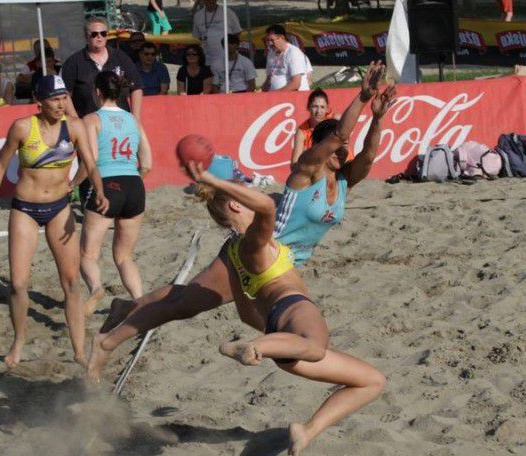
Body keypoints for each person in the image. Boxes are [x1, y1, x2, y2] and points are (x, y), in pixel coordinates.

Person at [89, 62, 395, 377]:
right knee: (184, 305)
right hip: (255, 248)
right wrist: (362, 97)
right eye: (337, 146)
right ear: (320, 149)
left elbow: (369, 156)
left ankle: (125, 308)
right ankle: (106, 343)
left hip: (277, 262)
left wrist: (378, 117)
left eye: (345, 147)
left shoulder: (342, 181)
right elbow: (340, 133)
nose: (344, 150)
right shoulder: (306, 171)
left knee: (188, 299)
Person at [94, 160, 386, 456]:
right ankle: (255, 347)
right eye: (245, 192)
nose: (255, 194)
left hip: (281, 335)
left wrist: (275, 340)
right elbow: (267, 209)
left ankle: (307, 429)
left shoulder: (234, 254)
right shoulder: (253, 242)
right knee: (316, 347)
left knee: (371, 381)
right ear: (235, 205)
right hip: (292, 308)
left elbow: (247, 313)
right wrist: (215, 181)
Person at [0, 75, 109, 369]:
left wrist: (95, 190)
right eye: (54, 99)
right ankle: (18, 342)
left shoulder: (74, 127)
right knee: (18, 283)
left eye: (64, 98)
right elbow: (0, 167)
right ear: (40, 101)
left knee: (72, 282)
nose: (61, 104)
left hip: (59, 208)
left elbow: (90, 164)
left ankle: (77, 351)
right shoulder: (23, 127)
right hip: (25, 208)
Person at [76, 71, 152, 316]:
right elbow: (148, 163)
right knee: (124, 256)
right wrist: (132, 180)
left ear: (97, 91)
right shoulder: (133, 120)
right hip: (133, 185)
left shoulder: (92, 119)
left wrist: (70, 186)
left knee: (88, 254)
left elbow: (91, 161)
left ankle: (96, 288)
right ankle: (140, 302)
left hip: (107, 183)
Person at [61, 17, 143, 119]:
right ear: (86, 36)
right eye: (94, 34)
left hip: (121, 122)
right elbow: (64, 94)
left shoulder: (121, 58)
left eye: (103, 33)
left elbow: (136, 88)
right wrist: (76, 121)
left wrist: (135, 119)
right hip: (87, 124)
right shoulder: (74, 62)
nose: (99, 37)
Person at [291, 88, 340, 165]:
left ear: (327, 109)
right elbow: (294, 163)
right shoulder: (302, 131)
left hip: (339, 166)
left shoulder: (335, 120)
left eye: (322, 107)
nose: (318, 111)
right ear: (308, 107)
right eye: (315, 106)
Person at [192, 0, 241, 72]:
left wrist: (232, 50)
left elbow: (237, 32)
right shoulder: (198, 16)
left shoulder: (228, 12)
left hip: (226, 59)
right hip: (207, 60)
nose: (210, 1)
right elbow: (197, 37)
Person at [262, 24, 310, 92]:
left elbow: (295, 84)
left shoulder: (293, 53)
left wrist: (275, 94)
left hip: (293, 97)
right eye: (267, 41)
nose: (270, 44)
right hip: (275, 97)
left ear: (282, 38)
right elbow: (269, 78)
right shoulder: (271, 53)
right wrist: (262, 92)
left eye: (272, 40)